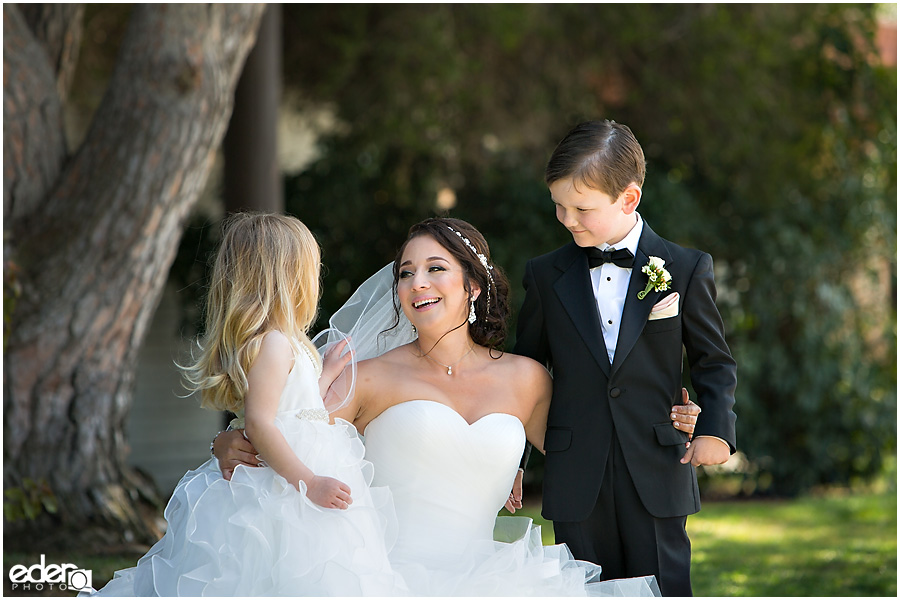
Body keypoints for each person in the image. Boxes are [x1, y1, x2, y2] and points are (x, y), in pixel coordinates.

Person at [216, 216, 701, 596]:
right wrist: (227, 442)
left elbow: (600, 451)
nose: (416, 283)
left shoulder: (526, 379)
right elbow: (291, 433)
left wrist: (679, 421)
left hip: (493, 579)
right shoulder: (366, 375)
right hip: (383, 581)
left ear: (473, 286)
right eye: (406, 274)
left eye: (434, 269)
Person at [92, 213, 404, 596]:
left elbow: (297, 403)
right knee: (269, 565)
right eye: (310, 267)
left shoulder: (289, 340)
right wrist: (310, 482)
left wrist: (327, 373)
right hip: (284, 477)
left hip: (297, 464)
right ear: (287, 275)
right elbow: (261, 423)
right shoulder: (273, 343)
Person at [513, 120, 738, 596]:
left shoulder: (684, 268)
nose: (568, 218)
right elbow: (525, 373)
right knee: (581, 588)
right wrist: (514, 457)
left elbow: (713, 361)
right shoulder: (545, 274)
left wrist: (716, 428)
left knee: (664, 586)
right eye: (558, 205)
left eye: (581, 208)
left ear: (628, 199)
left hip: (657, 466)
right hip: (575, 471)